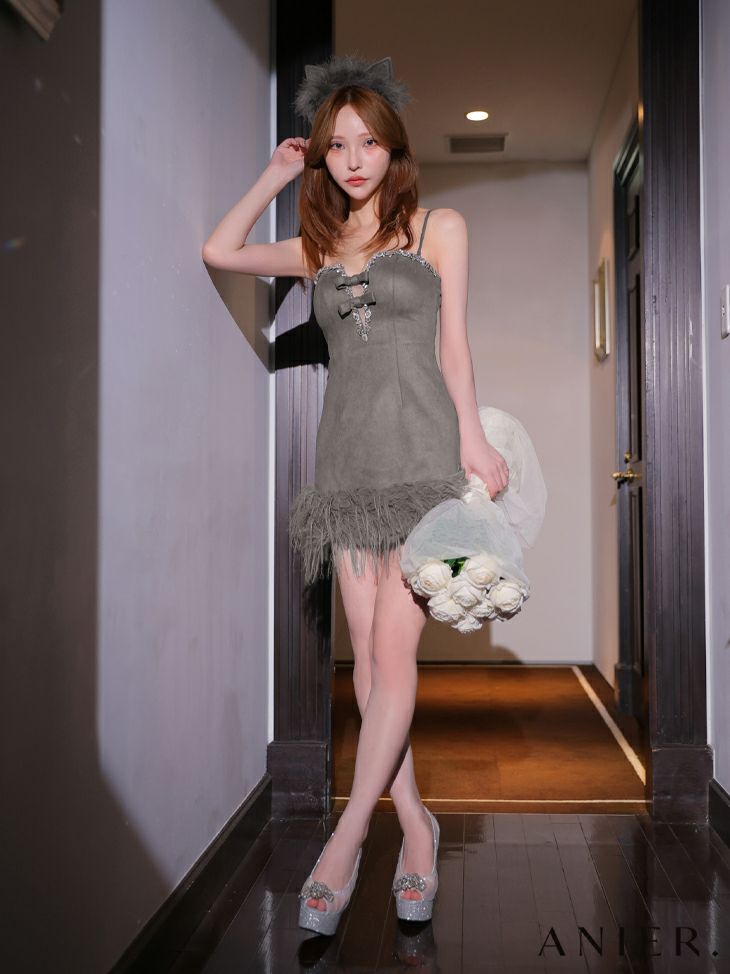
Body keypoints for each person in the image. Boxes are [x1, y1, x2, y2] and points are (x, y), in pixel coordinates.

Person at [201, 54, 509, 936]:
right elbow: (220, 250)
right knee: (367, 667)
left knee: (392, 657)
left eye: (368, 142)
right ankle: (416, 826)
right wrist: (275, 173)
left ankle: (346, 841)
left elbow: (454, 348)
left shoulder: (439, 226)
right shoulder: (318, 248)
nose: (353, 159)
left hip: (422, 465)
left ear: (393, 147)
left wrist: (474, 435)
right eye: (336, 146)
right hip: (345, 472)